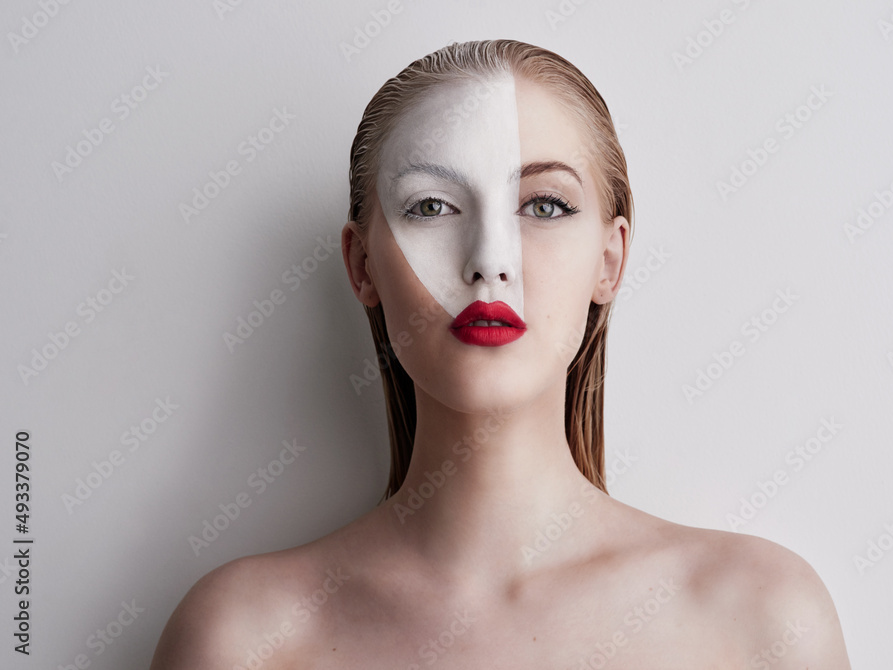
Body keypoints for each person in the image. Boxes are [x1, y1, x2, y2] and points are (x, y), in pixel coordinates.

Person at [150, 39, 852, 668]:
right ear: (362, 265)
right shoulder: (239, 639)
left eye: (544, 206)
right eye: (431, 206)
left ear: (610, 260)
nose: (491, 262)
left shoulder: (760, 621)